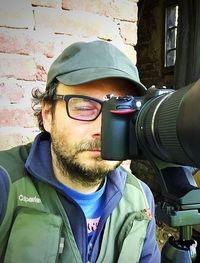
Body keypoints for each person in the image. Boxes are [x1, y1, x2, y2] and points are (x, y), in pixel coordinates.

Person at [0, 40, 160, 263]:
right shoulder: (5, 183)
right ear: (48, 114)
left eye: (120, 111)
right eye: (84, 108)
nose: (102, 131)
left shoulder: (140, 198)